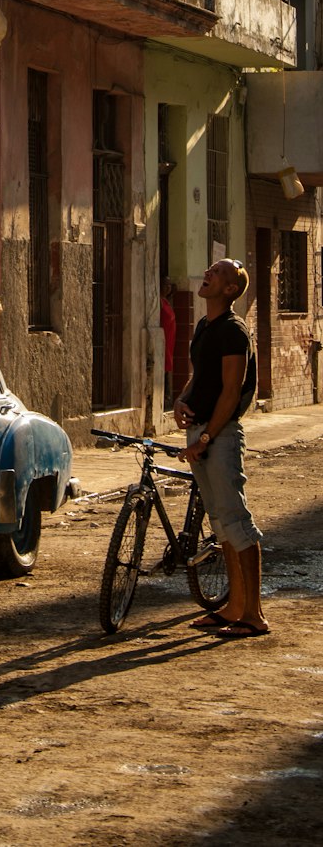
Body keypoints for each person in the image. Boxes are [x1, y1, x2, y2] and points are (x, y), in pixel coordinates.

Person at [174, 260, 268, 639]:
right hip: (199, 432)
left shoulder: (234, 331)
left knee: (238, 523)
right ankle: (234, 607)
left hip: (221, 436)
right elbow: (200, 376)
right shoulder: (204, 327)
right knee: (221, 526)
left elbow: (232, 391)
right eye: (209, 268)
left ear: (230, 290)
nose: (207, 273)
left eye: (218, 272)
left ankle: (255, 615)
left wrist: (207, 438)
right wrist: (181, 399)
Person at [159, 277, 176, 412]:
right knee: (163, 366)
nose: (168, 288)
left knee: (167, 365)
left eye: (169, 285)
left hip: (169, 340)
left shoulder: (166, 301)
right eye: (165, 285)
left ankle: (167, 397)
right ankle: (164, 397)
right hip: (162, 341)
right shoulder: (158, 302)